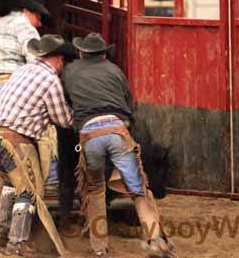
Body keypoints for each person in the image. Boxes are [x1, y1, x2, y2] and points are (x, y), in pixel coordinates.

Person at [62, 33, 175, 258]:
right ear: (104, 54)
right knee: (138, 190)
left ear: (81, 52)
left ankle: (99, 249)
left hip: (90, 135)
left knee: (94, 190)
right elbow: (128, 105)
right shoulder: (115, 71)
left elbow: (66, 102)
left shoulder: (70, 71)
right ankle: (156, 241)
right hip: (118, 131)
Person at [0, 34, 74, 257]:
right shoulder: (50, 80)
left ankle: (0, 239)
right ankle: (17, 244)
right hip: (14, 141)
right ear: (59, 59)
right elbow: (63, 120)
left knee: (10, 187)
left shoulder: (23, 70)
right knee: (29, 192)